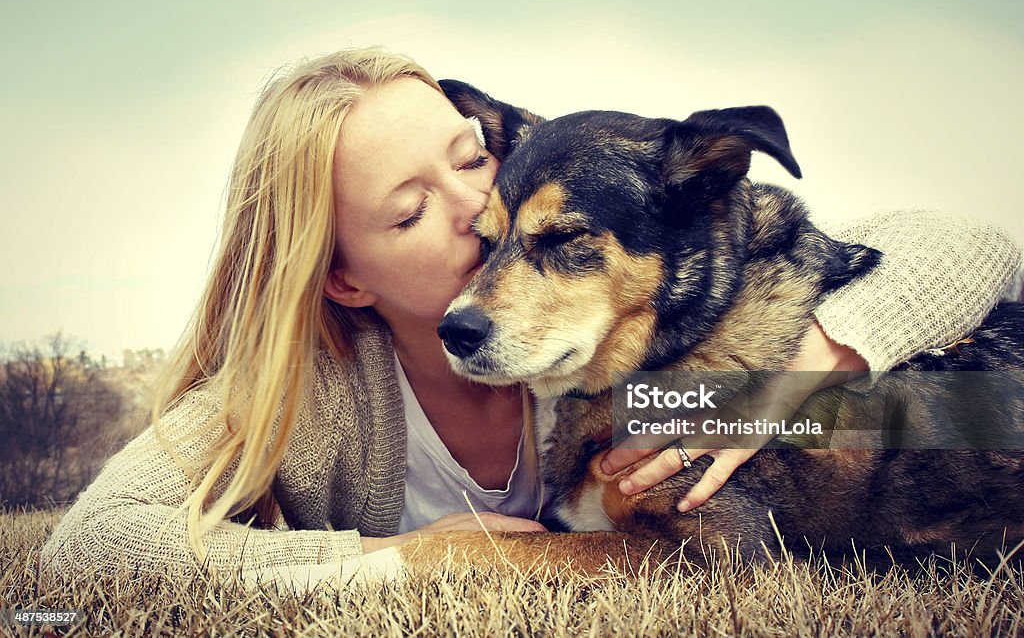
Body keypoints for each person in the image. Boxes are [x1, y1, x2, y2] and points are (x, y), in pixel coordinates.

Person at [41, 47, 1022, 582]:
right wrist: (406, 556)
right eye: (408, 209)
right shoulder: (316, 389)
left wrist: (814, 357)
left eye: (468, 160)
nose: (478, 207)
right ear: (344, 277)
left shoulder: (614, 312)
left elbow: (968, 246)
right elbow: (89, 547)